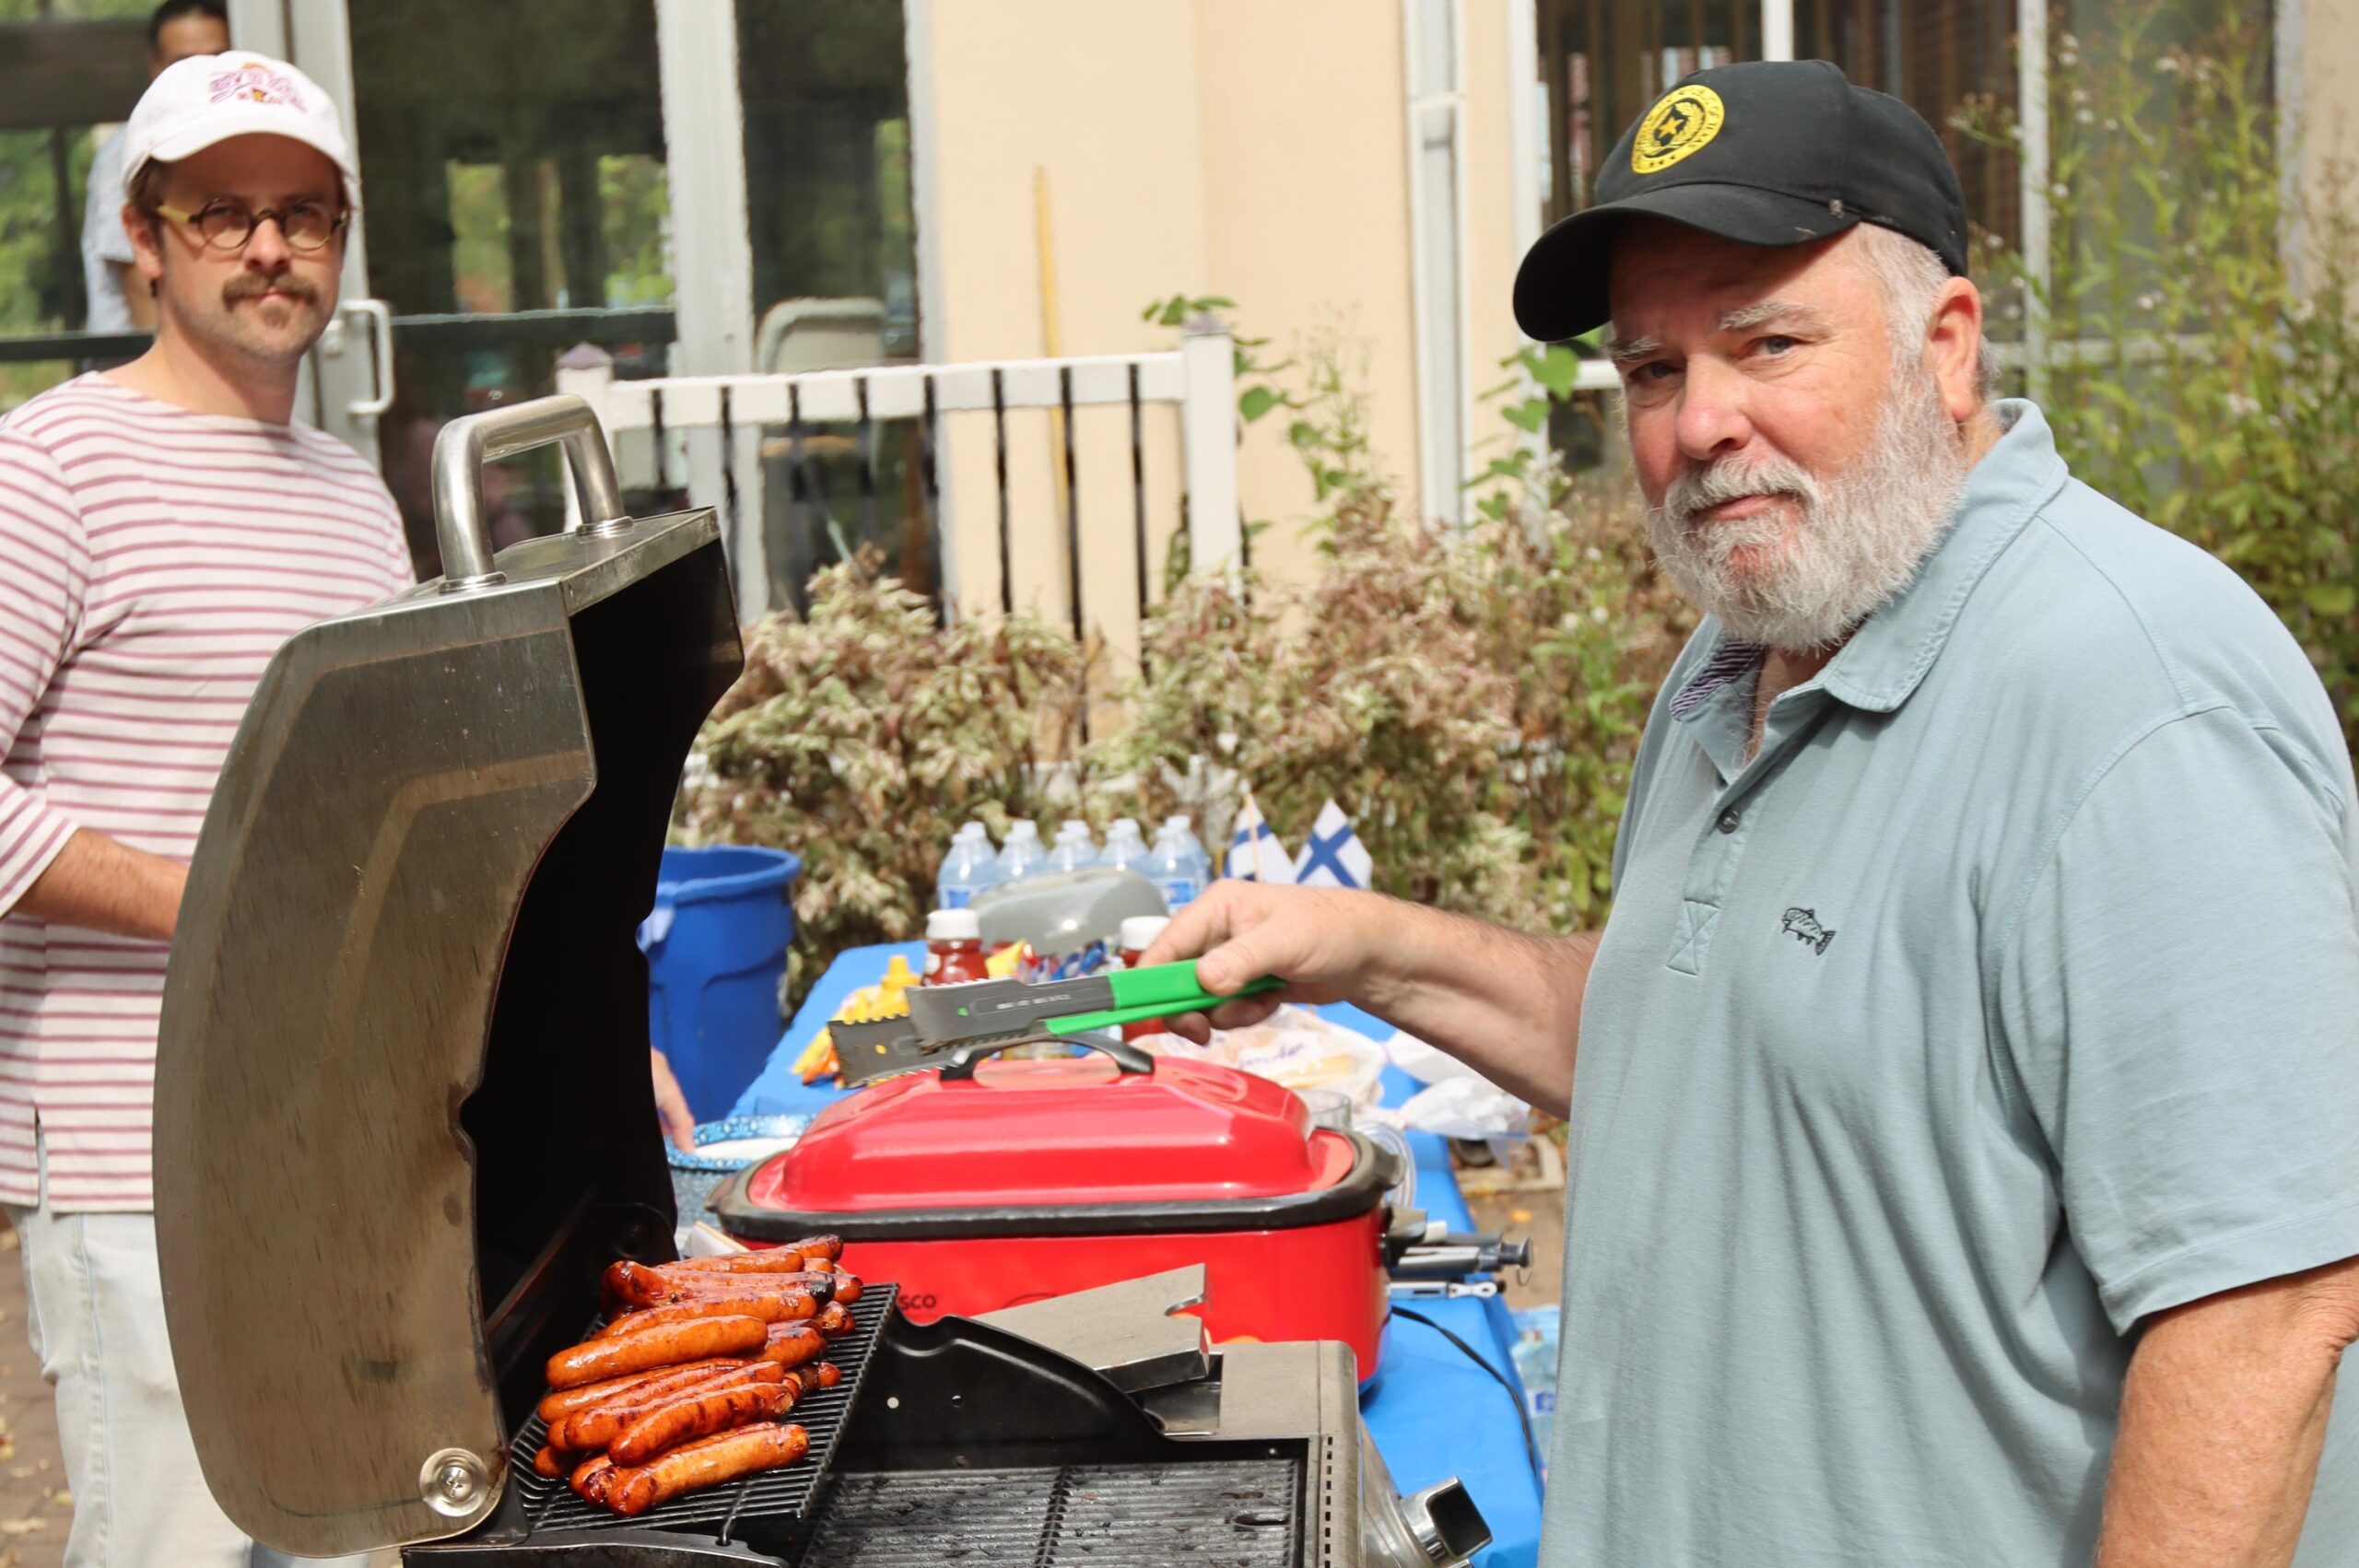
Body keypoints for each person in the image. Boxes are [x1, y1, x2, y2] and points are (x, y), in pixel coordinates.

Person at [1147, 60, 2358, 1568]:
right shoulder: (1744, 664)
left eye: (1765, 340)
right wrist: (1366, 947)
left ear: (1949, 348)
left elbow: (2262, 1313)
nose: (1700, 421)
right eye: (1653, 370)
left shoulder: (2132, 694)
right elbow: (1695, 1048)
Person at [0, 48, 680, 1565]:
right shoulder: (48, 470)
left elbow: (413, 833)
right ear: (144, 234)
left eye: (302, 212)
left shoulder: (349, 492)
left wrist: (568, 1036)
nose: (266, 246)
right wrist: (231, 918)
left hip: (356, 1150)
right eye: (221, 212)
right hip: (140, 1167)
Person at [79, 1, 229, 334]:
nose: (202, 77)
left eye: (217, 60)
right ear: (155, 66)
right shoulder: (130, 153)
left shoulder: (233, 146)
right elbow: (143, 297)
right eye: (184, 64)